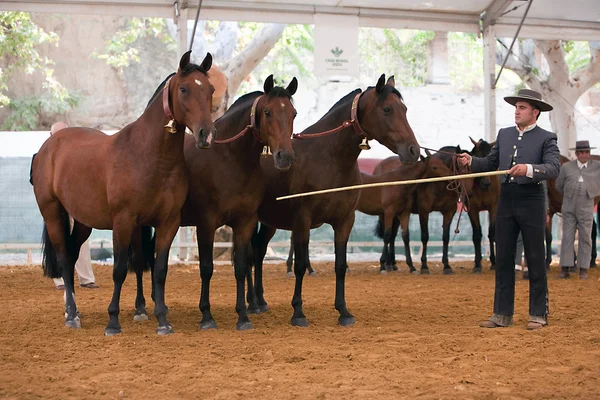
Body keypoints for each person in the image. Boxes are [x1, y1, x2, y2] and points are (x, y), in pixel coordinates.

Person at [457, 88, 560, 330]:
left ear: (535, 112)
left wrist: (529, 169)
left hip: (532, 200)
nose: (517, 111)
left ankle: (538, 314)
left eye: (522, 107)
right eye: (516, 107)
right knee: (503, 258)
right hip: (506, 200)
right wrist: (471, 161)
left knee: (535, 258)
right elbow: (490, 163)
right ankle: (502, 314)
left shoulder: (547, 138)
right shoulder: (504, 135)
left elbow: (553, 168)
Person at [45, 122, 99, 290]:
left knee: (82, 239)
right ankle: (60, 278)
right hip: (56, 206)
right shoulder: (43, 156)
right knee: (58, 240)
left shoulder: (77, 156)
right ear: (50, 135)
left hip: (76, 204)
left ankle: (86, 278)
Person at [555, 140, 600, 280]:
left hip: (587, 204)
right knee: (567, 236)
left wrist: (594, 192)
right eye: (581, 152)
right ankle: (565, 267)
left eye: (587, 152)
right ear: (576, 154)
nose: (584, 155)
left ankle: (584, 268)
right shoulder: (567, 167)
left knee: (586, 237)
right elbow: (559, 185)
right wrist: (569, 195)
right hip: (569, 204)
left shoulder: (597, 166)